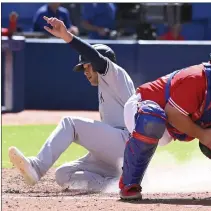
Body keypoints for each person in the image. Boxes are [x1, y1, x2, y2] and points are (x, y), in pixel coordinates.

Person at [119, 37, 211, 200]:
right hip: (144, 107)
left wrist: (207, 132)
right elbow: (172, 113)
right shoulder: (196, 78)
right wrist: (202, 135)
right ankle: (129, 183)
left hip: (172, 118)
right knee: (152, 119)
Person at [8, 16, 135, 192]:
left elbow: (95, 57)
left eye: (87, 66)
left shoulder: (114, 74)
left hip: (126, 144)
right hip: (116, 155)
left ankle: (37, 167)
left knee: (71, 124)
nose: (85, 71)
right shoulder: (106, 86)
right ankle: (114, 184)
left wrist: (67, 36)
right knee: (63, 175)